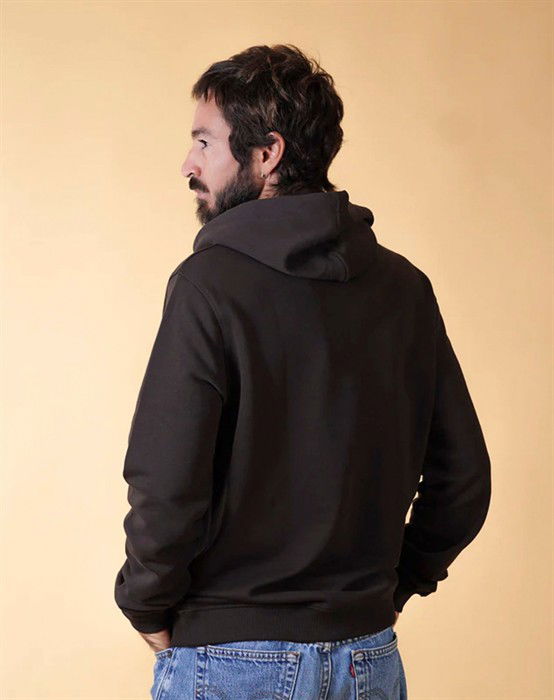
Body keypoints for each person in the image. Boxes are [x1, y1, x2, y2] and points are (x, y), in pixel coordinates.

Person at [114, 43, 491, 700]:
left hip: (230, 659)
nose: (188, 165)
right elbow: (462, 480)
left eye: (205, 142)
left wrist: (146, 603)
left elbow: (167, 481)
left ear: (268, 154)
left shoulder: (209, 285)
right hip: (367, 659)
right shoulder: (404, 288)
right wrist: (392, 588)